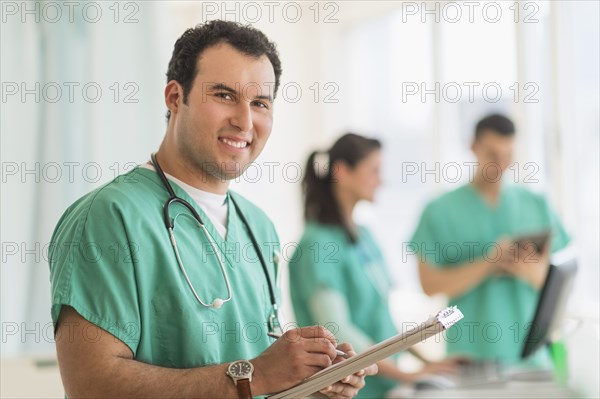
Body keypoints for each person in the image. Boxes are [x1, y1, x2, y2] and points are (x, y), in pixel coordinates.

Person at [48, 21, 376, 399]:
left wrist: (312, 383)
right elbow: (91, 387)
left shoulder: (258, 226)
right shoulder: (108, 218)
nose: (245, 121)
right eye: (224, 95)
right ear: (174, 97)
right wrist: (252, 375)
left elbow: (256, 379)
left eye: (260, 103)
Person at [289, 133, 460, 399]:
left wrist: (426, 364)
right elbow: (339, 331)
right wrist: (409, 376)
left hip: (384, 387)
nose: (381, 181)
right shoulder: (318, 245)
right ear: (342, 172)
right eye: (374, 171)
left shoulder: (364, 236)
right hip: (347, 390)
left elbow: (384, 322)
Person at [409, 114, 570, 366]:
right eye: (493, 155)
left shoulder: (536, 205)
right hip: (470, 357)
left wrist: (534, 273)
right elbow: (429, 285)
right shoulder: (439, 211)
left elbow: (560, 281)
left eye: (508, 156)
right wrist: (488, 262)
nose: (500, 164)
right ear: (473, 147)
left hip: (532, 360)